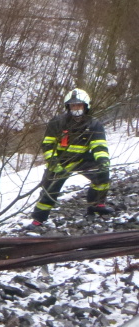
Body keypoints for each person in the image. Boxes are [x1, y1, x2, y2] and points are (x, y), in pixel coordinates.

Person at [30, 88, 112, 226]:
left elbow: (99, 146)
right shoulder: (57, 122)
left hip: (83, 159)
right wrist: (54, 163)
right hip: (61, 160)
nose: (76, 108)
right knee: (50, 188)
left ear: (85, 106)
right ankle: (38, 219)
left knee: (102, 175)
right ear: (68, 107)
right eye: (73, 105)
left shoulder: (94, 124)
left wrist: (103, 161)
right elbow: (47, 145)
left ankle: (96, 204)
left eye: (79, 105)